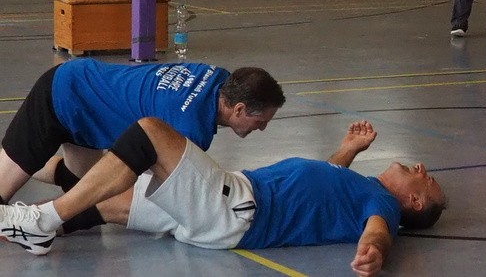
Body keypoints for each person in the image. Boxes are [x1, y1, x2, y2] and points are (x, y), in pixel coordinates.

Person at [0, 120, 447, 277]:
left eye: (426, 181)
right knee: (105, 199)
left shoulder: (382, 206)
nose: (422, 168)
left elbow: (377, 232)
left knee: (150, 133)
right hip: (220, 217)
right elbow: (327, 178)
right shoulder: (360, 188)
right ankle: (26, 221)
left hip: (236, 207)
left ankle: (40, 221)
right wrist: (348, 149)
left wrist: (374, 251)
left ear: (413, 203)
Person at [0, 58, 285, 207]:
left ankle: (13, 158)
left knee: (83, 190)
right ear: (238, 109)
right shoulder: (191, 128)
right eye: (260, 121)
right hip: (61, 96)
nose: (262, 128)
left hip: (87, 113)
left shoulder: (218, 76)